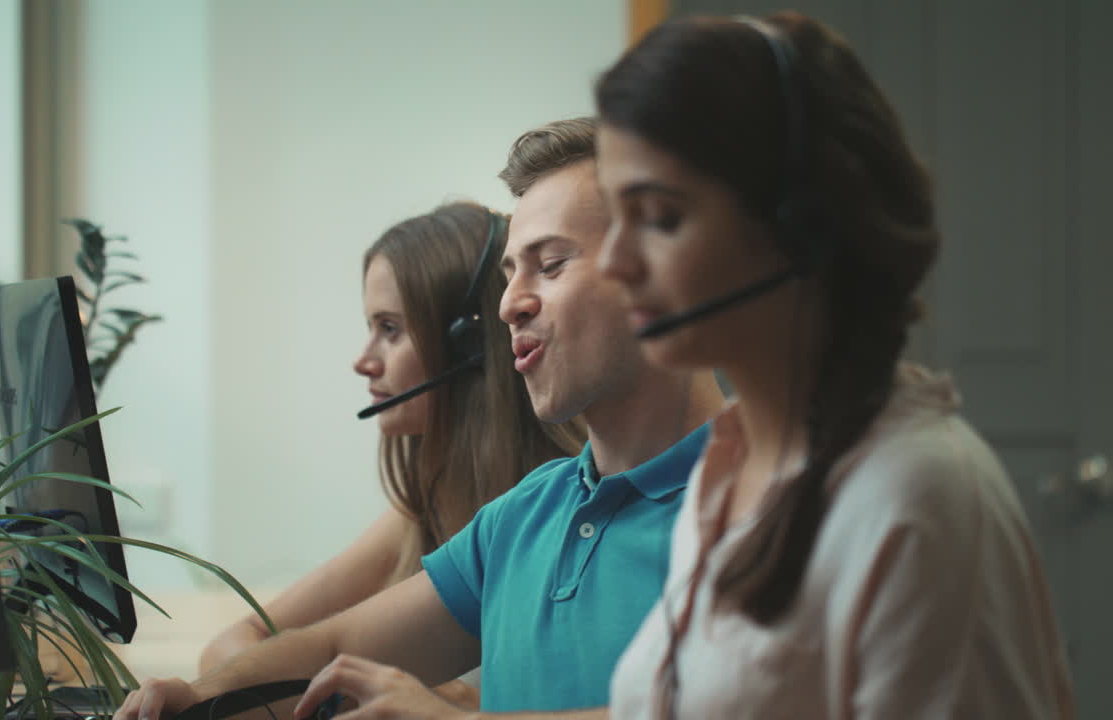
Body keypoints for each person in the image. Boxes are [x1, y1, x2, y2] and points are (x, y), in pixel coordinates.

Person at [114, 119, 726, 720]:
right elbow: (331, 651)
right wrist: (198, 700)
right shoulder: (528, 512)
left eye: (553, 263)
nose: (511, 303)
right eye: (512, 272)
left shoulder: (770, 505)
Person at [594, 12, 1074, 718]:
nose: (612, 262)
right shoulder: (726, 468)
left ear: (802, 225)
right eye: (612, 216)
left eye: (660, 217)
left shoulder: (919, 500)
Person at [198, 202, 585, 706]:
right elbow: (234, 645)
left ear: (468, 346)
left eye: (390, 329)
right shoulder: (422, 510)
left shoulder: (556, 512)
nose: (363, 361)